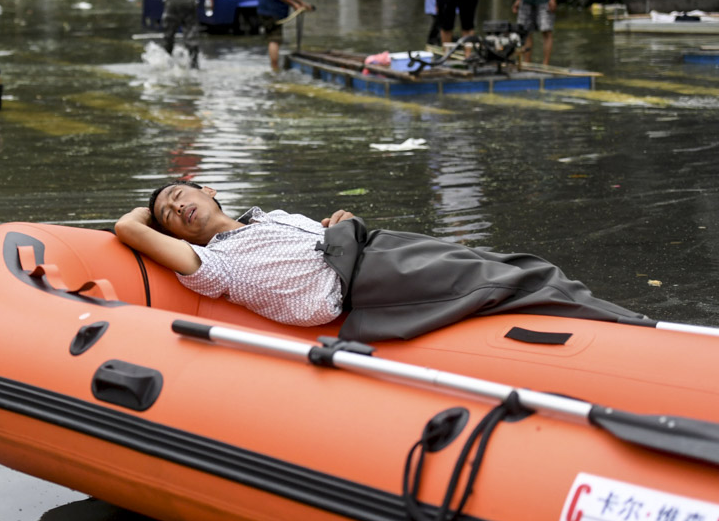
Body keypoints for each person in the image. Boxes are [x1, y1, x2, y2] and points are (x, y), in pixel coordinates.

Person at [114, 181, 644, 342]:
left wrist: (332, 223)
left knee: (507, 263)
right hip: (363, 281)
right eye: (169, 212)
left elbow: (314, 244)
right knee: (513, 275)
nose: (179, 207)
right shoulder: (212, 266)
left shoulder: (265, 215)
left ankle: (618, 322)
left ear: (209, 190)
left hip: (373, 249)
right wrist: (149, 211)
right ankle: (628, 328)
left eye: (183, 194)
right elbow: (126, 228)